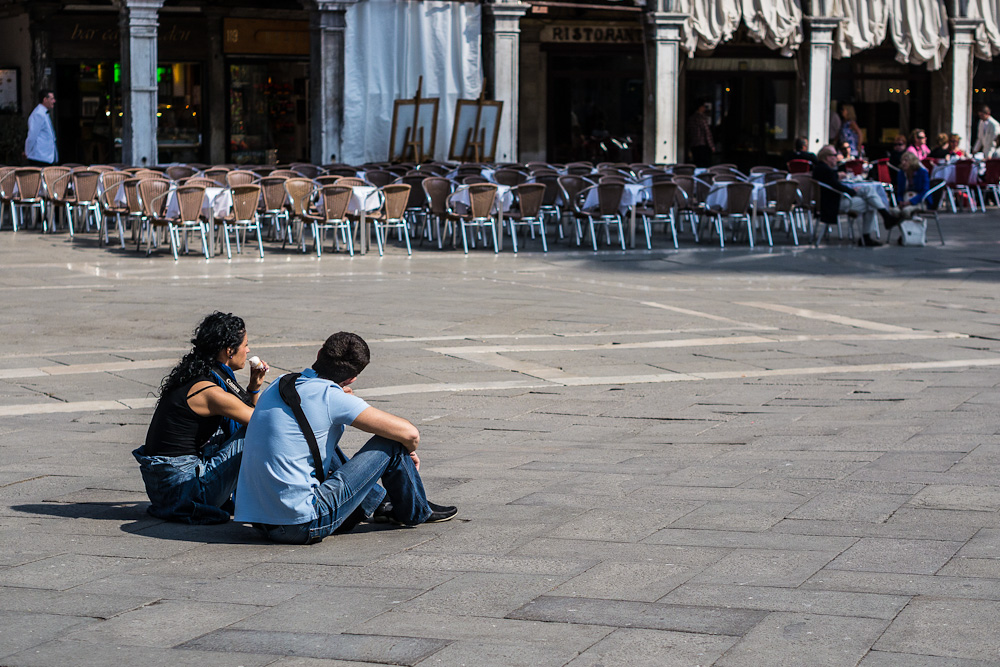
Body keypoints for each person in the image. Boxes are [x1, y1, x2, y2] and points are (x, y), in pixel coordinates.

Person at [235, 332, 457, 545]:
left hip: (259, 519)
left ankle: (378, 503)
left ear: (320, 353)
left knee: (314, 436)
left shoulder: (280, 383)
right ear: (352, 378)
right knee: (391, 441)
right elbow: (409, 433)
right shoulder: (332, 397)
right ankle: (416, 510)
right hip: (301, 523)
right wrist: (408, 451)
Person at [133, 312, 268, 524]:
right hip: (186, 493)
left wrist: (254, 387)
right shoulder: (209, 391)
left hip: (166, 489)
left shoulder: (195, 376)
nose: (248, 350)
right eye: (246, 345)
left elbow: (244, 413)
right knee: (257, 434)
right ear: (229, 351)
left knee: (226, 431)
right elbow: (260, 422)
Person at [813, 145, 897, 247]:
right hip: (834, 204)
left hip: (834, 200)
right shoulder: (825, 170)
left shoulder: (821, 169)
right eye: (835, 155)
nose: (837, 157)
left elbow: (834, 184)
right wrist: (852, 191)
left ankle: (883, 218)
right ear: (827, 157)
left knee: (869, 193)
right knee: (870, 201)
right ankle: (870, 232)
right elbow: (837, 186)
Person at [24, 89, 58, 167]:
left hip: (46, 157)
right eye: (52, 99)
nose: (54, 101)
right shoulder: (38, 114)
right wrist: (27, 152)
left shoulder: (44, 113)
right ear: (45, 100)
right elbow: (32, 135)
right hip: (40, 157)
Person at [894, 150, 931, 221]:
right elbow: (900, 191)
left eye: (906, 160)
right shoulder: (901, 173)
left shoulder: (922, 172)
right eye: (902, 160)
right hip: (905, 200)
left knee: (906, 211)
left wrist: (911, 202)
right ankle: (905, 230)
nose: (903, 163)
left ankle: (912, 229)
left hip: (919, 201)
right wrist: (901, 201)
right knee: (895, 211)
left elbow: (925, 190)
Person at [687, 99, 715, 168]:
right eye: (704, 107)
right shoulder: (702, 118)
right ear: (700, 107)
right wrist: (712, 146)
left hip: (694, 145)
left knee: (697, 164)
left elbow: (689, 132)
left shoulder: (691, 118)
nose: (705, 108)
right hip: (702, 145)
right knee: (704, 165)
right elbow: (707, 133)